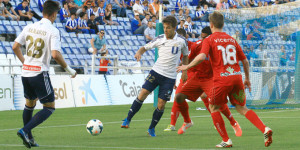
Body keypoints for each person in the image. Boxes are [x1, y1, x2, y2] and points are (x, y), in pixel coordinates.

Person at [177, 11, 273, 148]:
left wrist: (187, 66)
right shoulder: (232, 39)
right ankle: (264, 129)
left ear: (211, 25)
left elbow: (202, 56)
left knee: (213, 107)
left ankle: (226, 140)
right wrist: (247, 79)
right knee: (242, 108)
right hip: (237, 78)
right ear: (223, 24)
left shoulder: (209, 39)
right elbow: (245, 61)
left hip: (222, 80)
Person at [12, 1, 77, 148]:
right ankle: (25, 130)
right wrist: (69, 70)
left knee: (29, 104)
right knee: (49, 107)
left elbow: (15, 46)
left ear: (43, 12)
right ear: (54, 14)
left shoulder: (29, 26)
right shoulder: (53, 31)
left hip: (26, 72)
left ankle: (29, 137)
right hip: (39, 72)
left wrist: (24, 62)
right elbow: (55, 54)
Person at [164, 27, 242, 137]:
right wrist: (183, 69)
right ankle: (187, 121)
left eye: (205, 37)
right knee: (179, 97)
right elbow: (189, 59)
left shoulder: (217, 47)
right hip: (196, 77)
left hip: (210, 78)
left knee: (217, 102)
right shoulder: (197, 45)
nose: (203, 39)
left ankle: (233, 123)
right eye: (202, 37)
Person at [121, 16, 189, 137]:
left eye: (168, 28)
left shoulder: (182, 41)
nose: (166, 30)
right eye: (164, 28)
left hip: (169, 77)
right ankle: (127, 119)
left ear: (174, 28)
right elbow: (144, 47)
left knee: (161, 104)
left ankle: (151, 128)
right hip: (156, 72)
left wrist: (184, 71)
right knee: (142, 94)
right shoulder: (160, 39)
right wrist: (139, 52)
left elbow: (185, 55)